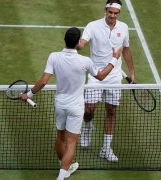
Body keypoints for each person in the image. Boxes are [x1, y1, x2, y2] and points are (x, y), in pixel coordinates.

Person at [20, 27, 122, 180]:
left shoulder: (53, 57)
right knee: (71, 142)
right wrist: (114, 58)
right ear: (78, 43)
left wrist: (27, 95)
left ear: (65, 40)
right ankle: (61, 176)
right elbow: (100, 76)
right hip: (76, 107)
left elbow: (43, 81)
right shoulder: (85, 61)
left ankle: (65, 166)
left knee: (60, 136)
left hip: (60, 105)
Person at [78, 0, 135, 163]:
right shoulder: (92, 26)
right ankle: (87, 127)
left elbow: (126, 50)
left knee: (111, 111)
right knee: (89, 110)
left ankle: (106, 148)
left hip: (115, 77)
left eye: (115, 13)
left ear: (119, 14)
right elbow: (83, 42)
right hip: (96, 76)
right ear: (105, 10)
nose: (112, 16)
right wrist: (79, 45)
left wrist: (132, 73)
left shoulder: (123, 28)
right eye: (110, 12)